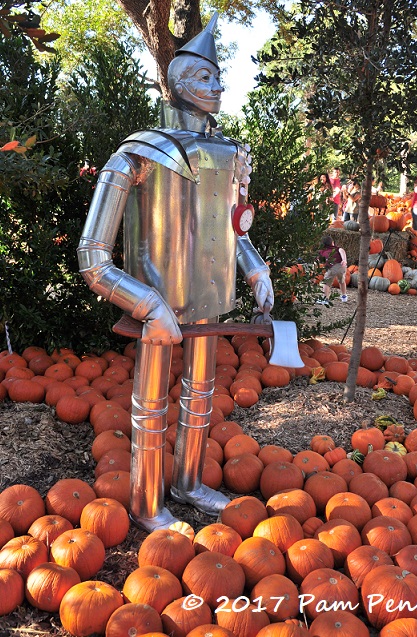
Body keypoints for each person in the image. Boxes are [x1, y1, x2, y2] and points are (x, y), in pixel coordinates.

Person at [77, 13, 274, 532]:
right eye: (206, 77)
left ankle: (188, 480)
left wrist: (254, 268)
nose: (218, 85)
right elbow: (92, 255)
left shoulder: (231, 153)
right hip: (156, 301)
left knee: (201, 395)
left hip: (208, 297)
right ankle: (146, 503)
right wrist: (148, 304)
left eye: (218, 76)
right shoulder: (138, 153)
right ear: (181, 84)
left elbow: (235, 229)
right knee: (148, 405)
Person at [317, 235, 348, 304]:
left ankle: (325, 299)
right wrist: (344, 260)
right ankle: (344, 296)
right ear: (332, 243)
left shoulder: (322, 251)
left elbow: (319, 260)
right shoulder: (337, 248)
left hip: (332, 267)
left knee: (326, 283)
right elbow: (342, 251)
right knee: (342, 281)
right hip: (341, 266)